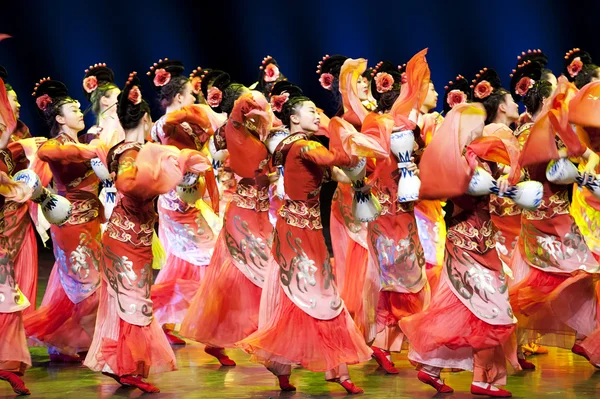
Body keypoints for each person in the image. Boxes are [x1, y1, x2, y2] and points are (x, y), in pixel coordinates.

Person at [238, 83, 371, 394]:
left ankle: (285, 367)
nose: (317, 115)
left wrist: (359, 175)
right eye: (311, 111)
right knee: (320, 295)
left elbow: (335, 173)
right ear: (294, 118)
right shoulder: (301, 146)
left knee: (305, 296)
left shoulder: (302, 146)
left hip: (303, 227)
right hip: (297, 232)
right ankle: (335, 369)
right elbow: (332, 161)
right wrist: (359, 148)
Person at [84, 72, 212, 392]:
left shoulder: (142, 150)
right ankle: (127, 367)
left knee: (134, 301)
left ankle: (122, 364)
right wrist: (158, 180)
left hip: (137, 237)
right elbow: (127, 184)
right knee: (132, 302)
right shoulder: (129, 152)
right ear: (144, 117)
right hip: (124, 239)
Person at [180, 78, 274, 366]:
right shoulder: (231, 132)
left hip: (259, 211)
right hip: (242, 214)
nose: (259, 108)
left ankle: (224, 338)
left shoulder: (252, 133)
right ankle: (258, 336)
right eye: (251, 103)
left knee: (248, 278)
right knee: (252, 276)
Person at [24, 78, 104, 363]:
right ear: (59, 118)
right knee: (88, 290)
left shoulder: (84, 143)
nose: (80, 112)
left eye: (79, 108)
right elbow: (48, 153)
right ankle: (100, 351)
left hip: (93, 223)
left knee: (92, 286)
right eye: (73, 109)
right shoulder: (55, 145)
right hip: (70, 224)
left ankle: (84, 343)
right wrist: (93, 151)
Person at [147, 59, 221, 344]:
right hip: (181, 198)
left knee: (180, 257)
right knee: (210, 252)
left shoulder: (161, 125)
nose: (195, 99)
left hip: (175, 199)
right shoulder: (169, 125)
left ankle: (165, 320)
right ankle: (211, 320)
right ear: (179, 97)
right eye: (191, 95)